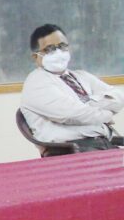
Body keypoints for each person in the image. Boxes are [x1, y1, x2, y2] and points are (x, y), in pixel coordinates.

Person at [20, 24, 124, 156]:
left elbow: (119, 97)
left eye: (62, 46)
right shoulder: (36, 83)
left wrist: (88, 104)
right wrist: (107, 114)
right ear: (36, 57)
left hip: (103, 145)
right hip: (69, 151)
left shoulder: (81, 76)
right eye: (49, 49)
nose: (58, 52)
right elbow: (72, 115)